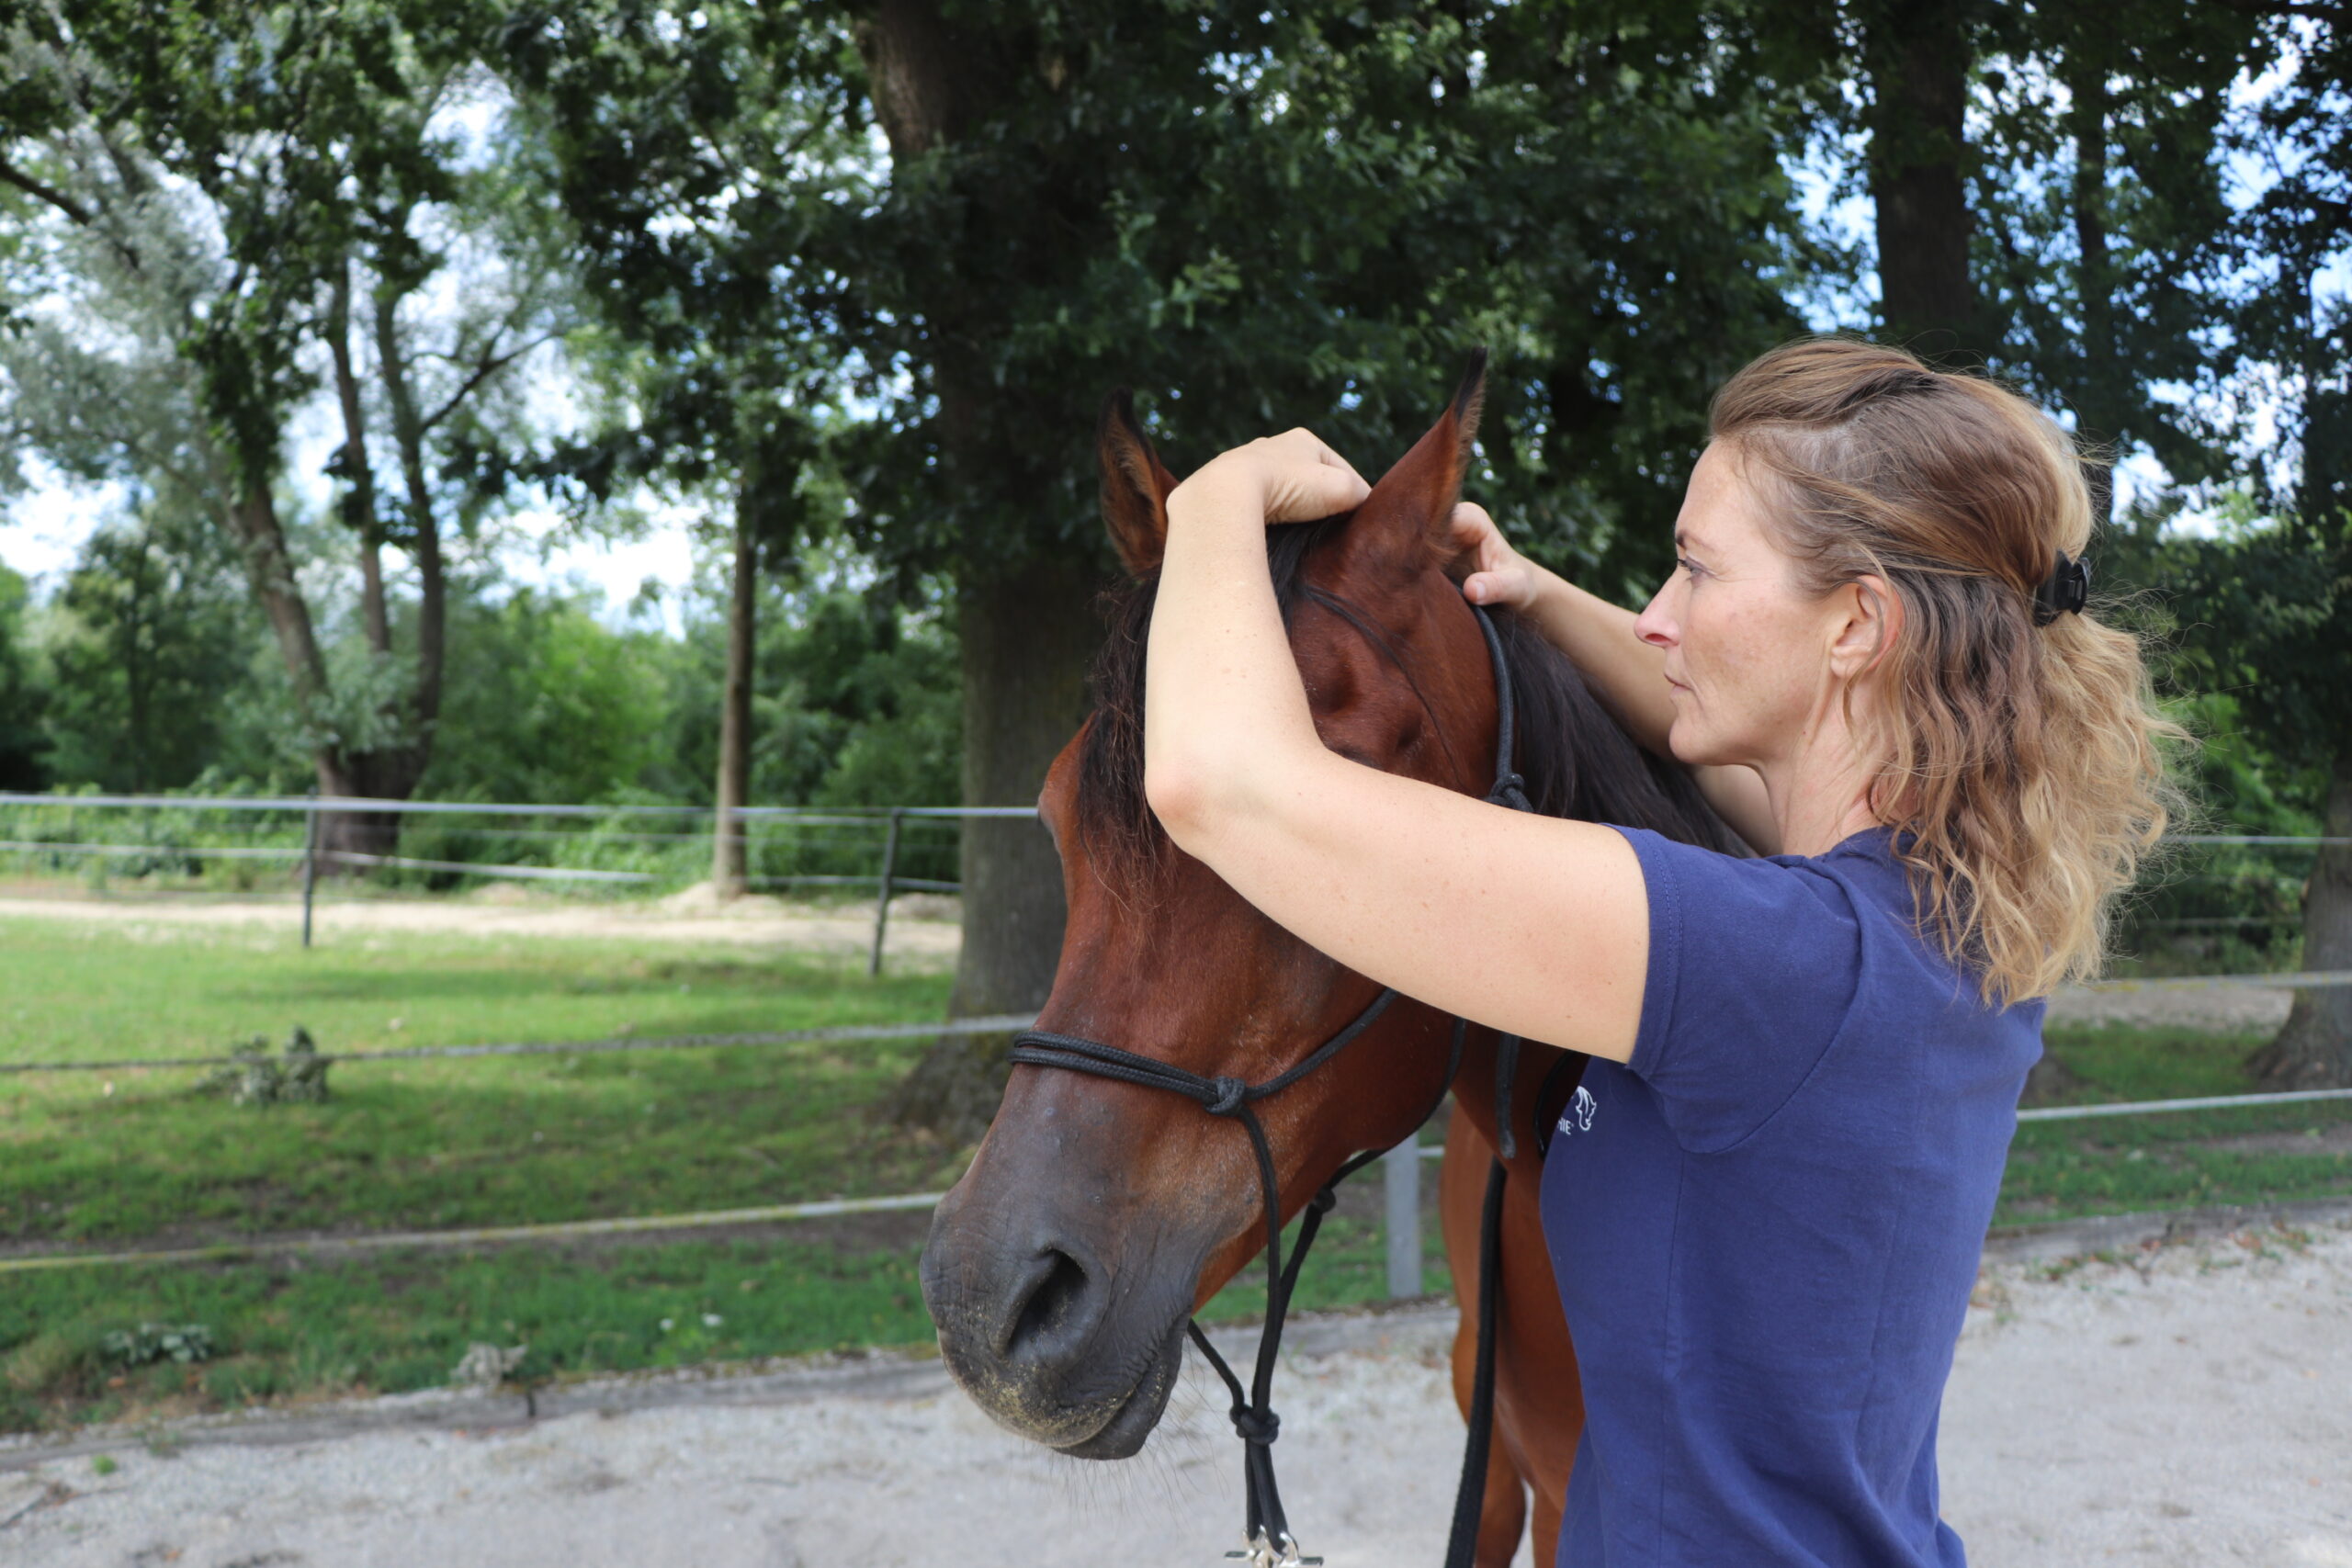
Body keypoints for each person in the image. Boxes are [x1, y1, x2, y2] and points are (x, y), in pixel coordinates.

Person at [1139, 336, 2180, 1567]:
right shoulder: (1952, 914)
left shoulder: (1769, 964)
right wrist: (1538, 600)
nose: (1658, 615)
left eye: (1694, 569)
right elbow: (1713, 752)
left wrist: (1212, 501)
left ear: (1857, 624)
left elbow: (1217, 785)